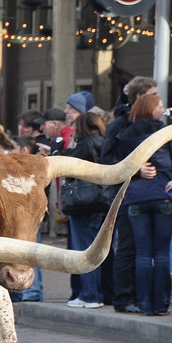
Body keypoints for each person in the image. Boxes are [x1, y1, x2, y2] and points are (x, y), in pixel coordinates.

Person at [113, 93, 172, 316]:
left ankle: (145, 303)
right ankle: (161, 304)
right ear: (150, 109)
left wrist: (138, 171)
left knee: (141, 253)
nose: (162, 109)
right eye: (159, 105)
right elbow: (170, 162)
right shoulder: (164, 132)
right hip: (162, 194)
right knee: (161, 253)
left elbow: (120, 165)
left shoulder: (124, 134)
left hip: (135, 198)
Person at [100, 75, 158, 313]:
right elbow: (106, 159)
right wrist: (133, 171)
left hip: (150, 194)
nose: (158, 100)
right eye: (153, 95)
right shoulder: (120, 124)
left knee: (146, 248)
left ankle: (142, 295)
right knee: (127, 246)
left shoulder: (155, 123)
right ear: (139, 97)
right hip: (125, 195)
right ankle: (124, 298)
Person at [63, 113, 109, 309]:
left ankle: (90, 295)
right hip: (101, 201)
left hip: (83, 203)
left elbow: (68, 165)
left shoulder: (85, 144)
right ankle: (99, 293)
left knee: (84, 251)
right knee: (98, 251)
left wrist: (58, 150)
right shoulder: (104, 142)